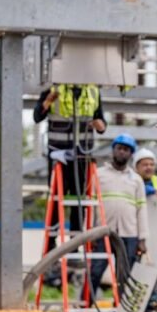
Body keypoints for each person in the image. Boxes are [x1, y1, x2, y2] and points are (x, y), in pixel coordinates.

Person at [33, 84, 106, 264]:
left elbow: (101, 123)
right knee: (57, 199)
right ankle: (51, 243)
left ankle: (75, 245)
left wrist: (100, 125)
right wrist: (48, 101)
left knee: (78, 201)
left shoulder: (93, 91)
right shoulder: (53, 89)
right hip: (59, 156)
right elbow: (37, 116)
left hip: (82, 155)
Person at [89, 134, 149, 296]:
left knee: (125, 275)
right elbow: (91, 206)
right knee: (95, 272)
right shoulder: (98, 175)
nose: (122, 152)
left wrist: (142, 238)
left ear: (131, 154)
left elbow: (141, 209)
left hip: (129, 235)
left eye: (126, 150)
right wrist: (90, 233)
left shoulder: (136, 180)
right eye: (120, 148)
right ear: (113, 150)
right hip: (102, 233)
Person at [133, 148, 157, 275]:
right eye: (145, 164)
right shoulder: (132, 179)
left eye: (151, 164)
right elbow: (139, 190)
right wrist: (153, 191)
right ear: (136, 167)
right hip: (135, 231)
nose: (149, 167)